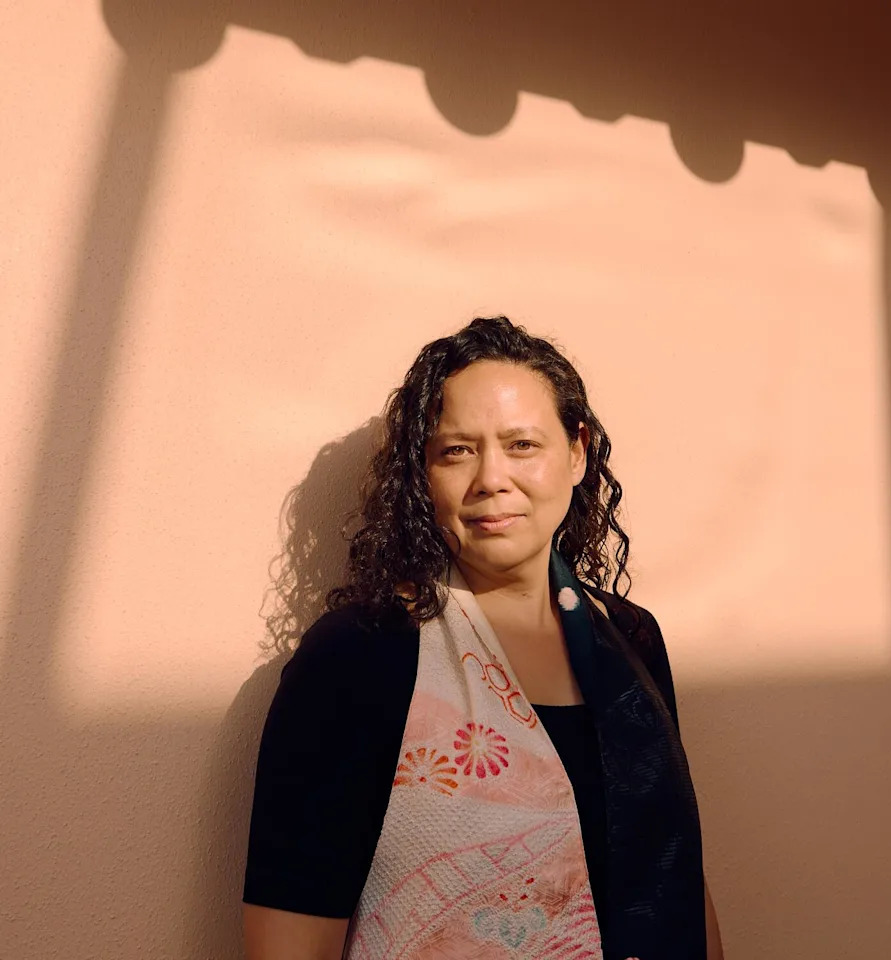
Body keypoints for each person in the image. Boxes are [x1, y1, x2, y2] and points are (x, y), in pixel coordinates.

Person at [242, 316, 723, 960]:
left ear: (576, 453)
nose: (491, 477)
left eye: (522, 444)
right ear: (424, 474)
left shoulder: (629, 640)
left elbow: (679, 873)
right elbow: (291, 940)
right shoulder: (363, 654)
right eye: (457, 450)